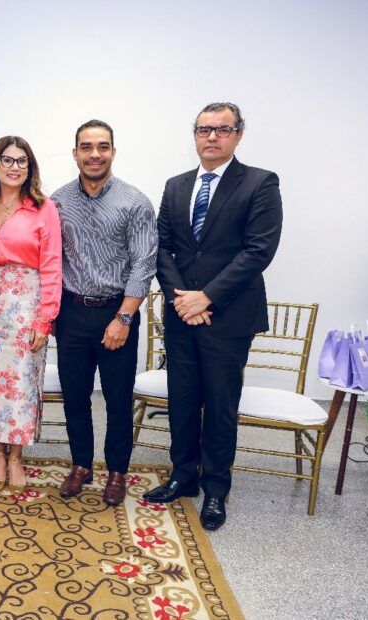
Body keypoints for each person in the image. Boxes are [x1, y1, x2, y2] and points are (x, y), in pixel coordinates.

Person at [142, 102, 282, 531]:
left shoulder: (259, 183)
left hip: (229, 316)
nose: (211, 137)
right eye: (204, 129)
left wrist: (207, 298)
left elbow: (259, 250)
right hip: (182, 313)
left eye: (222, 129)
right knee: (182, 400)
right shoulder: (176, 185)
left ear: (238, 134)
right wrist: (183, 299)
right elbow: (161, 247)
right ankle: (184, 476)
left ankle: (217, 489)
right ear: (194, 135)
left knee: (221, 405)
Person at [51, 120, 157, 506]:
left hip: (117, 312)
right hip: (72, 313)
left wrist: (124, 318)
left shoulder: (135, 202)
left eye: (103, 146)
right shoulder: (58, 201)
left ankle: (117, 471)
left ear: (113, 151)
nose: (94, 154)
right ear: (75, 152)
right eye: (86, 146)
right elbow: (51, 259)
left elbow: (143, 265)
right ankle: (81, 465)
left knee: (116, 398)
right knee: (74, 397)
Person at [0, 136, 62, 495]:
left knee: (20, 383)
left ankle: (16, 455)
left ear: (29, 168)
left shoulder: (43, 207)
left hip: (26, 302)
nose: (14, 166)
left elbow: (52, 265)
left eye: (22, 161)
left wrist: (44, 318)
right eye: (7, 160)